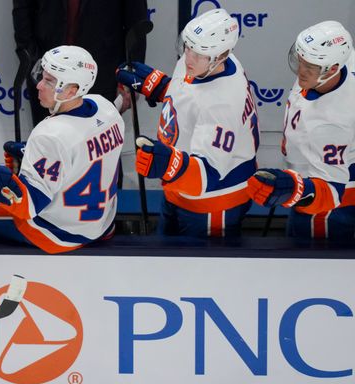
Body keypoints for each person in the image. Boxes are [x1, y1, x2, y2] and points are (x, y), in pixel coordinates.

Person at [0, 45, 124, 254]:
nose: (39, 86)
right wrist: (34, 156)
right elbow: (82, 153)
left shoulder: (49, 134)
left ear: (72, 89)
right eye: (43, 77)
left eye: (50, 81)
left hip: (58, 233)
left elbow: (28, 206)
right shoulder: (106, 109)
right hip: (101, 223)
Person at [116, 8, 259, 238]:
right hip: (180, 190)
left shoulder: (222, 103)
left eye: (198, 53)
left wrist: (169, 164)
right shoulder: (207, 61)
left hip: (212, 202)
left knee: (202, 273)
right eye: (187, 47)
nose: (188, 57)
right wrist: (161, 86)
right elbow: (193, 97)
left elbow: (210, 174)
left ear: (222, 55)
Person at [246, 21, 355, 240]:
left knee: (314, 268)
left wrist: (293, 189)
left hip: (328, 209)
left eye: (310, 66)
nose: (300, 71)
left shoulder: (333, 121)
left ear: (333, 68)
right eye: (300, 61)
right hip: (308, 180)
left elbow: (331, 192)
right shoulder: (333, 66)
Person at [11, 0, 148, 124]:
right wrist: (34, 62)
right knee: (47, 145)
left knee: (98, 148)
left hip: (104, 77)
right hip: (48, 74)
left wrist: (130, 78)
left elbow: (137, 23)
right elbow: (22, 10)